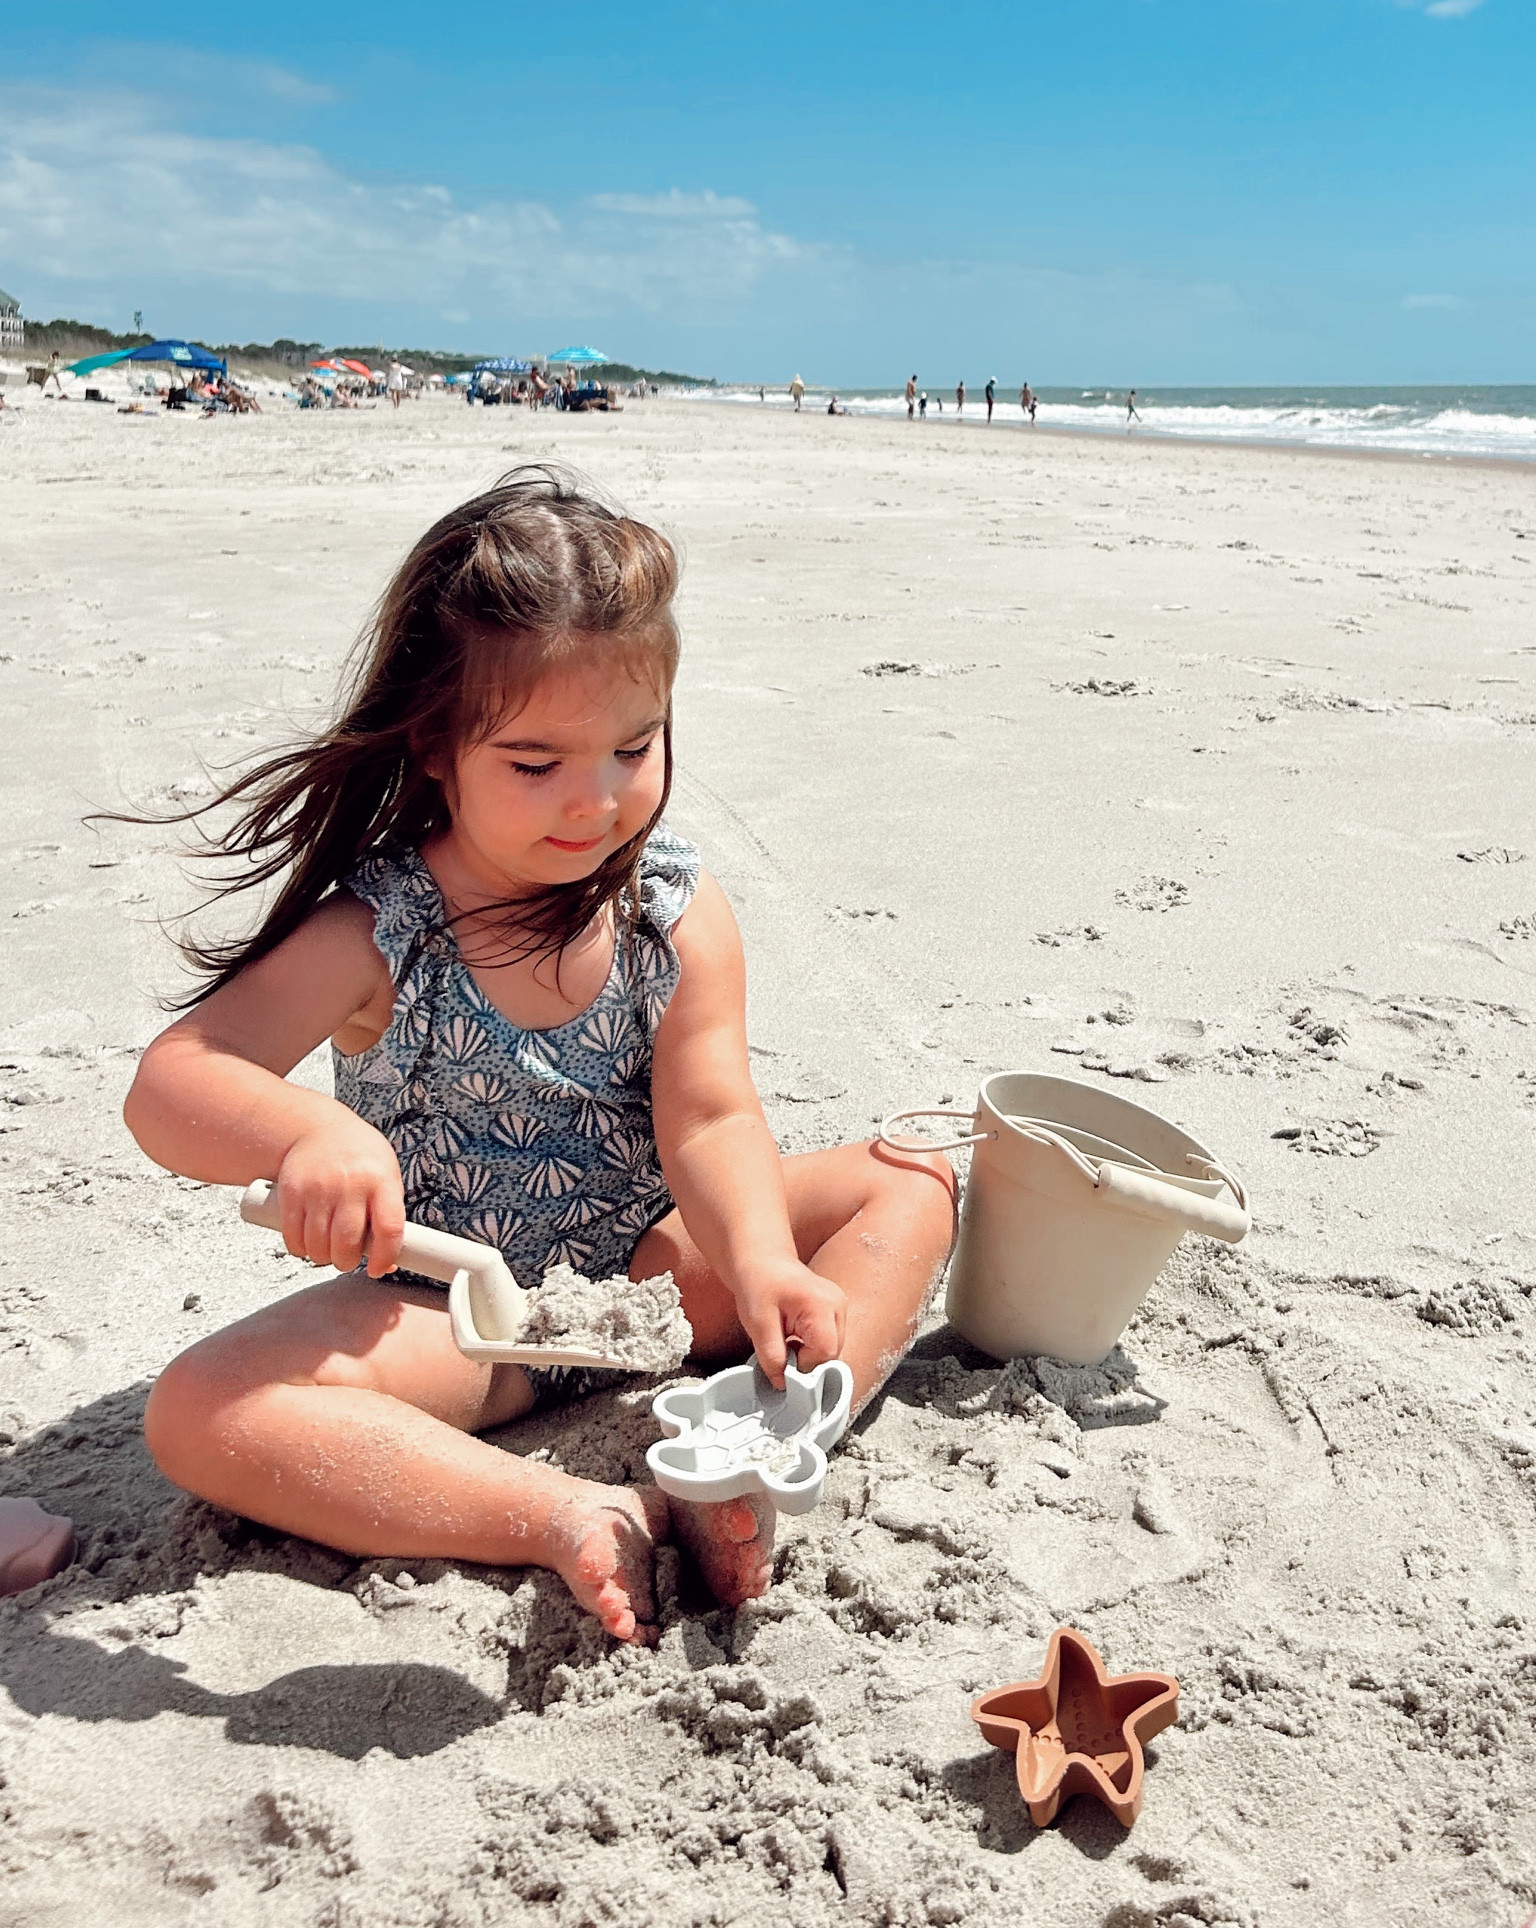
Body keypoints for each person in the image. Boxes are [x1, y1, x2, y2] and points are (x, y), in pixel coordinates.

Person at [120, 466, 955, 1646]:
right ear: (434, 749)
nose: (599, 800)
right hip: (461, 1319)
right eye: (535, 764)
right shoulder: (384, 930)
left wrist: (761, 1258)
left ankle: (767, 1445)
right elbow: (176, 1078)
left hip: (655, 1278)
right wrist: (307, 1130)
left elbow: (711, 1119)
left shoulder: (672, 907)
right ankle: (566, 1510)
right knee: (202, 1410)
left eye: (635, 745)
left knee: (907, 1176)